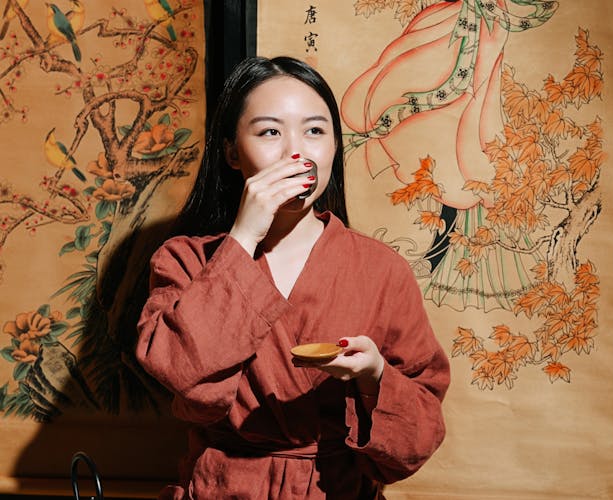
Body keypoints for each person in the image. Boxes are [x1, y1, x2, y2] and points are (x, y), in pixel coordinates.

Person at [135, 55, 450, 499]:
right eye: (269, 132)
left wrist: (374, 375)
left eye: (315, 130)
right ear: (230, 151)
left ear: (335, 147)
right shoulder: (184, 260)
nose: (295, 153)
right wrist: (244, 235)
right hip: (223, 488)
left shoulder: (382, 270)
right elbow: (185, 376)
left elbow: (420, 434)